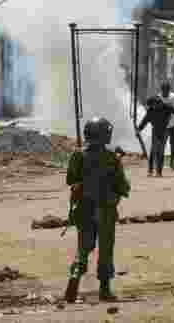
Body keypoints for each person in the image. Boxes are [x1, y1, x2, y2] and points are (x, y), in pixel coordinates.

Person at [63, 117, 130, 303]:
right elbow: (123, 187)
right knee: (106, 249)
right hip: (105, 209)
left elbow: (70, 180)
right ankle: (105, 290)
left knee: (83, 247)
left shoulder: (78, 155)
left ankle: (75, 277)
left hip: (84, 208)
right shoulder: (111, 158)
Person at [137, 83, 174, 177]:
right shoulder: (151, 110)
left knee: (160, 151)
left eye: (154, 105)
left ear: (158, 103)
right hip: (155, 131)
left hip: (164, 131)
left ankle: (159, 172)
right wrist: (139, 129)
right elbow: (145, 121)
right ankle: (150, 170)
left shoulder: (167, 107)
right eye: (151, 106)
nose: (153, 107)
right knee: (153, 150)